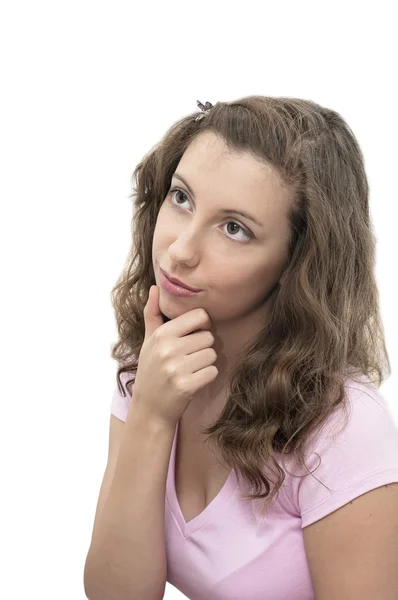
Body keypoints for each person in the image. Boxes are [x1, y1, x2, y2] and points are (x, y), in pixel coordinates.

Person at [84, 97, 398, 600]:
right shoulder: (159, 357)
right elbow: (116, 593)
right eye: (181, 198)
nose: (180, 249)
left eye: (234, 228)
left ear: (298, 265)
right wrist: (151, 415)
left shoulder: (344, 430)